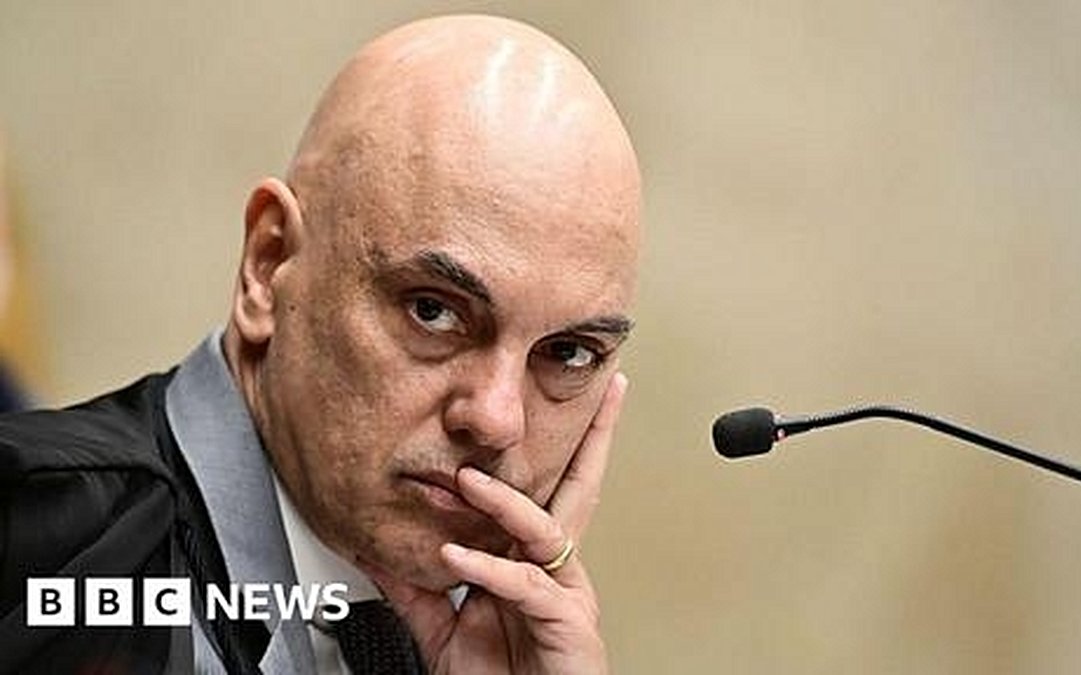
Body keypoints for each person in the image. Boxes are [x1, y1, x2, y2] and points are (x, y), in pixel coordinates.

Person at [0, 13, 640, 675]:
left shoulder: (491, 627)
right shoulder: (45, 537)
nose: (498, 419)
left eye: (568, 353)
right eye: (433, 311)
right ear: (268, 263)